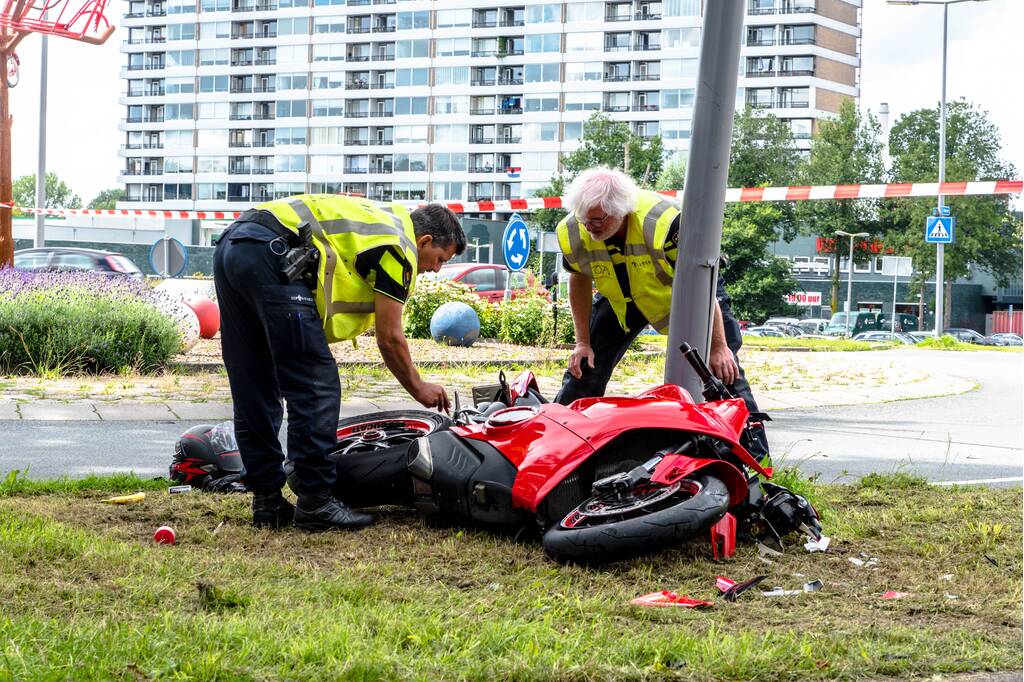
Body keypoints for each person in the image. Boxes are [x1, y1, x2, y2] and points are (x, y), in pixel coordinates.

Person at [213, 194, 466, 531]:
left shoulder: (380, 222)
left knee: (255, 382)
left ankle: (267, 501)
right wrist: (418, 387)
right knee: (316, 385)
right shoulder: (399, 246)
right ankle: (316, 501)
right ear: (425, 240)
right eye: (440, 259)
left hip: (234, 242)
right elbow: (390, 337)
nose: (436, 268)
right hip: (274, 252)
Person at [553, 167, 769, 459]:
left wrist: (717, 346)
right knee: (584, 367)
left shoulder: (667, 224)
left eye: (597, 220)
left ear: (622, 211)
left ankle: (752, 455)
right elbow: (579, 279)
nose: (589, 227)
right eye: (584, 218)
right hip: (623, 296)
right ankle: (559, 447)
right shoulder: (574, 229)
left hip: (687, 289)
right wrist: (582, 342)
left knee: (722, 369)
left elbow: (702, 284)